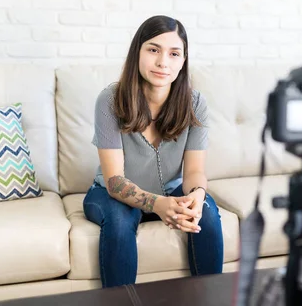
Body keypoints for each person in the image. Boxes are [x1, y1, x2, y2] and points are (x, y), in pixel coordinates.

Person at [82, 15, 224, 288]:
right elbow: (114, 182)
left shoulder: (196, 103)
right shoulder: (110, 100)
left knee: (206, 211)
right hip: (113, 194)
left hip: (172, 191)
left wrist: (196, 195)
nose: (163, 62)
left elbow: (194, 172)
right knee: (120, 222)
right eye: (153, 50)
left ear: (183, 61)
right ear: (137, 52)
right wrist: (158, 205)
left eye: (174, 54)